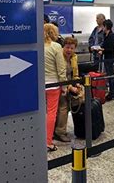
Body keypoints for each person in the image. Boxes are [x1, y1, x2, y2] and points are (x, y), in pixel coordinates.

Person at [44, 23, 66, 152]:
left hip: (40, 85)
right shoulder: (56, 47)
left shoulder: (39, 46)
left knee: (42, 113)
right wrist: (64, 86)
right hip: (53, 85)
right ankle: (48, 141)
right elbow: (61, 69)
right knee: (51, 113)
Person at [54, 37, 81, 143]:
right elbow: (61, 76)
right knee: (63, 108)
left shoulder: (74, 57)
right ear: (63, 47)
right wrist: (70, 87)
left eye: (72, 48)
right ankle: (60, 132)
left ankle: (57, 129)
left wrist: (77, 83)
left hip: (69, 84)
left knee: (66, 107)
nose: (69, 50)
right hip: (61, 85)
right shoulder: (59, 57)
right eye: (67, 47)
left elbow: (75, 73)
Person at [99, 19, 114, 101]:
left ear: (106, 26)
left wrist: (103, 50)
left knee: (111, 75)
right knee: (109, 75)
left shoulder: (112, 36)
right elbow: (104, 45)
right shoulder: (106, 35)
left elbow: (111, 48)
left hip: (110, 58)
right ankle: (112, 92)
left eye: (103, 26)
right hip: (106, 58)